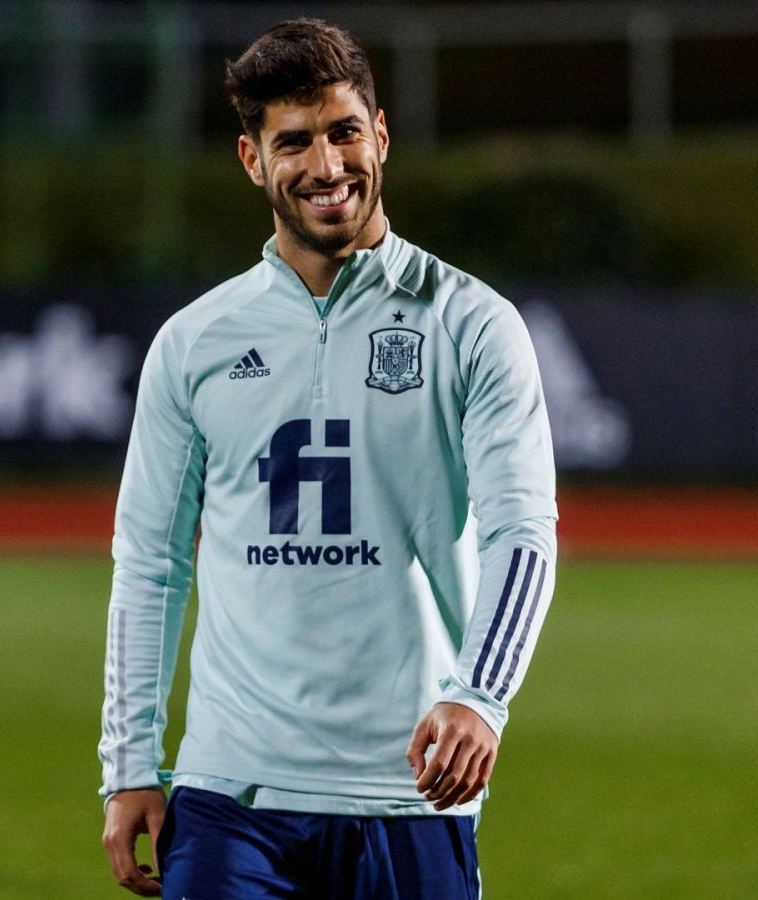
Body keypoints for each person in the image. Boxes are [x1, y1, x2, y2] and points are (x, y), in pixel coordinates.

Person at [98, 18, 556, 899]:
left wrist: (480, 697)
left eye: (345, 132)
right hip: (230, 791)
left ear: (379, 135)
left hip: (411, 788)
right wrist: (129, 761)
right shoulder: (193, 342)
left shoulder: (472, 325)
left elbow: (524, 533)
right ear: (251, 158)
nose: (326, 165)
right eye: (294, 142)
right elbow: (149, 564)